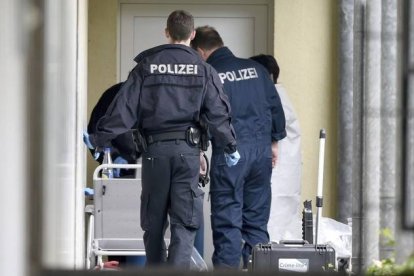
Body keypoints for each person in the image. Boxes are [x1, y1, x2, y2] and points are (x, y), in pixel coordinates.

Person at [83, 10, 240, 269]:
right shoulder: (204, 69)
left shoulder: (146, 66)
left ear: (166, 32)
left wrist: (99, 138)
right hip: (187, 155)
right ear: (192, 34)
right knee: (184, 223)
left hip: (154, 155)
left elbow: (123, 109)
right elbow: (218, 113)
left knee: (153, 224)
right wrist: (230, 146)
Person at [191, 26, 286, 269]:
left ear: (201, 52)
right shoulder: (257, 70)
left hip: (230, 156)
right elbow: (275, 108)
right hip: (261, 153)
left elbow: (200, 116)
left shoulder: (211, 74)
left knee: (227, 223)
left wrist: (199, 149)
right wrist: (274, 143)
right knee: (256, 222)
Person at [250, 54, 302, 242]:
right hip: (282, 180)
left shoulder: (274, 98)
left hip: (276, 178)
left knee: (272, 230)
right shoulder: (280, 97)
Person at [87, 81, 140, 178]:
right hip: (113, 168)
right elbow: (96, 132)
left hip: (149, 168)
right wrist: (113, 156)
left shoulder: (157, 97)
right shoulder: (113, 95)